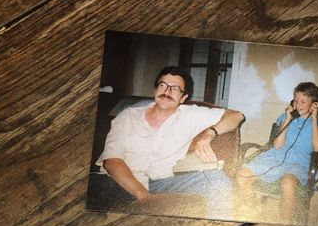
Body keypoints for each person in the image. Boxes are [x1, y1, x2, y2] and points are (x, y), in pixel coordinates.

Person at [96, 65, 244, 214]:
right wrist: (143, 195)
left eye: (175, 89)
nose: (167, 92)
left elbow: (236, 116)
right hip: (118, 183)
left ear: (183, 98)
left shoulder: (191, 115)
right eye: (163, 85)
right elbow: (112, 161)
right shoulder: (128, 116)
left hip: (160, 182)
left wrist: (209, 134)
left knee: (216, 181)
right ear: (155, 90)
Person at [236, 82, 318, 220]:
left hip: (299, 163)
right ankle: (251, 214)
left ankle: (284, 222)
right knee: (242, 175)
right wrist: (288, 118)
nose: (298, 105)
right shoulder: (285, 117)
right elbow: (277, 145)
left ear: (314, 104)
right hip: (275, 157)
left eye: (303, 101)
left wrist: (314, 117)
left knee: (288, 183)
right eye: (296, 100)